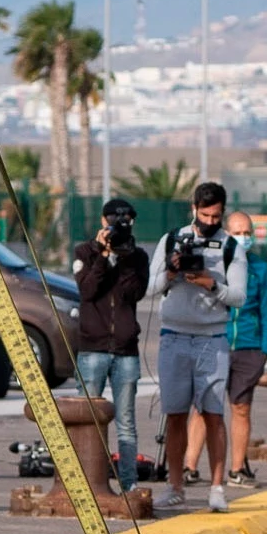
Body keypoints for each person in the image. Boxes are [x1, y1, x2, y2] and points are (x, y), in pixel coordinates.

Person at [141, 181, 246, 513]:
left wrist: (211, 283)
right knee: (174, 415)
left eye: (216, 216)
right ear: (194, 209)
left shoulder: (231, 247)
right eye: (204, 214)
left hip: (211, 340)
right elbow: (149, 287)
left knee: (214, 413)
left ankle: (217, 487)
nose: (210, 221)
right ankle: (175, 486)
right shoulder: (171, 239)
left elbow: (239, 296)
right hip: (173, 337)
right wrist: (172, 272)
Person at [70, 198, 151, 488]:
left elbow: (134, 293)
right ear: (103, 222)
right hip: (93, 348)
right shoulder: (84, 252)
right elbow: (88, 291)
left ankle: (129, 485)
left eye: (125, 222)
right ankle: (86, 483)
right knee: (87, 419)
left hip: (125, 351)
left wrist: (123, 257)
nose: (118, 227)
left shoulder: (139, 257)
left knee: (126, 422)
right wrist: (102, 254)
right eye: (114, 222)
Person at [222, 211, 267, 485]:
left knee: (241, 407)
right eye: (236, 232)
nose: (242, 238)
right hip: (216, 344)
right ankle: (190, 467)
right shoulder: (215, 265)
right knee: (201, 408)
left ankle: (237, 469)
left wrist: (264, 349)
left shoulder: (260, 269)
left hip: (248, 347)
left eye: (246, 233)